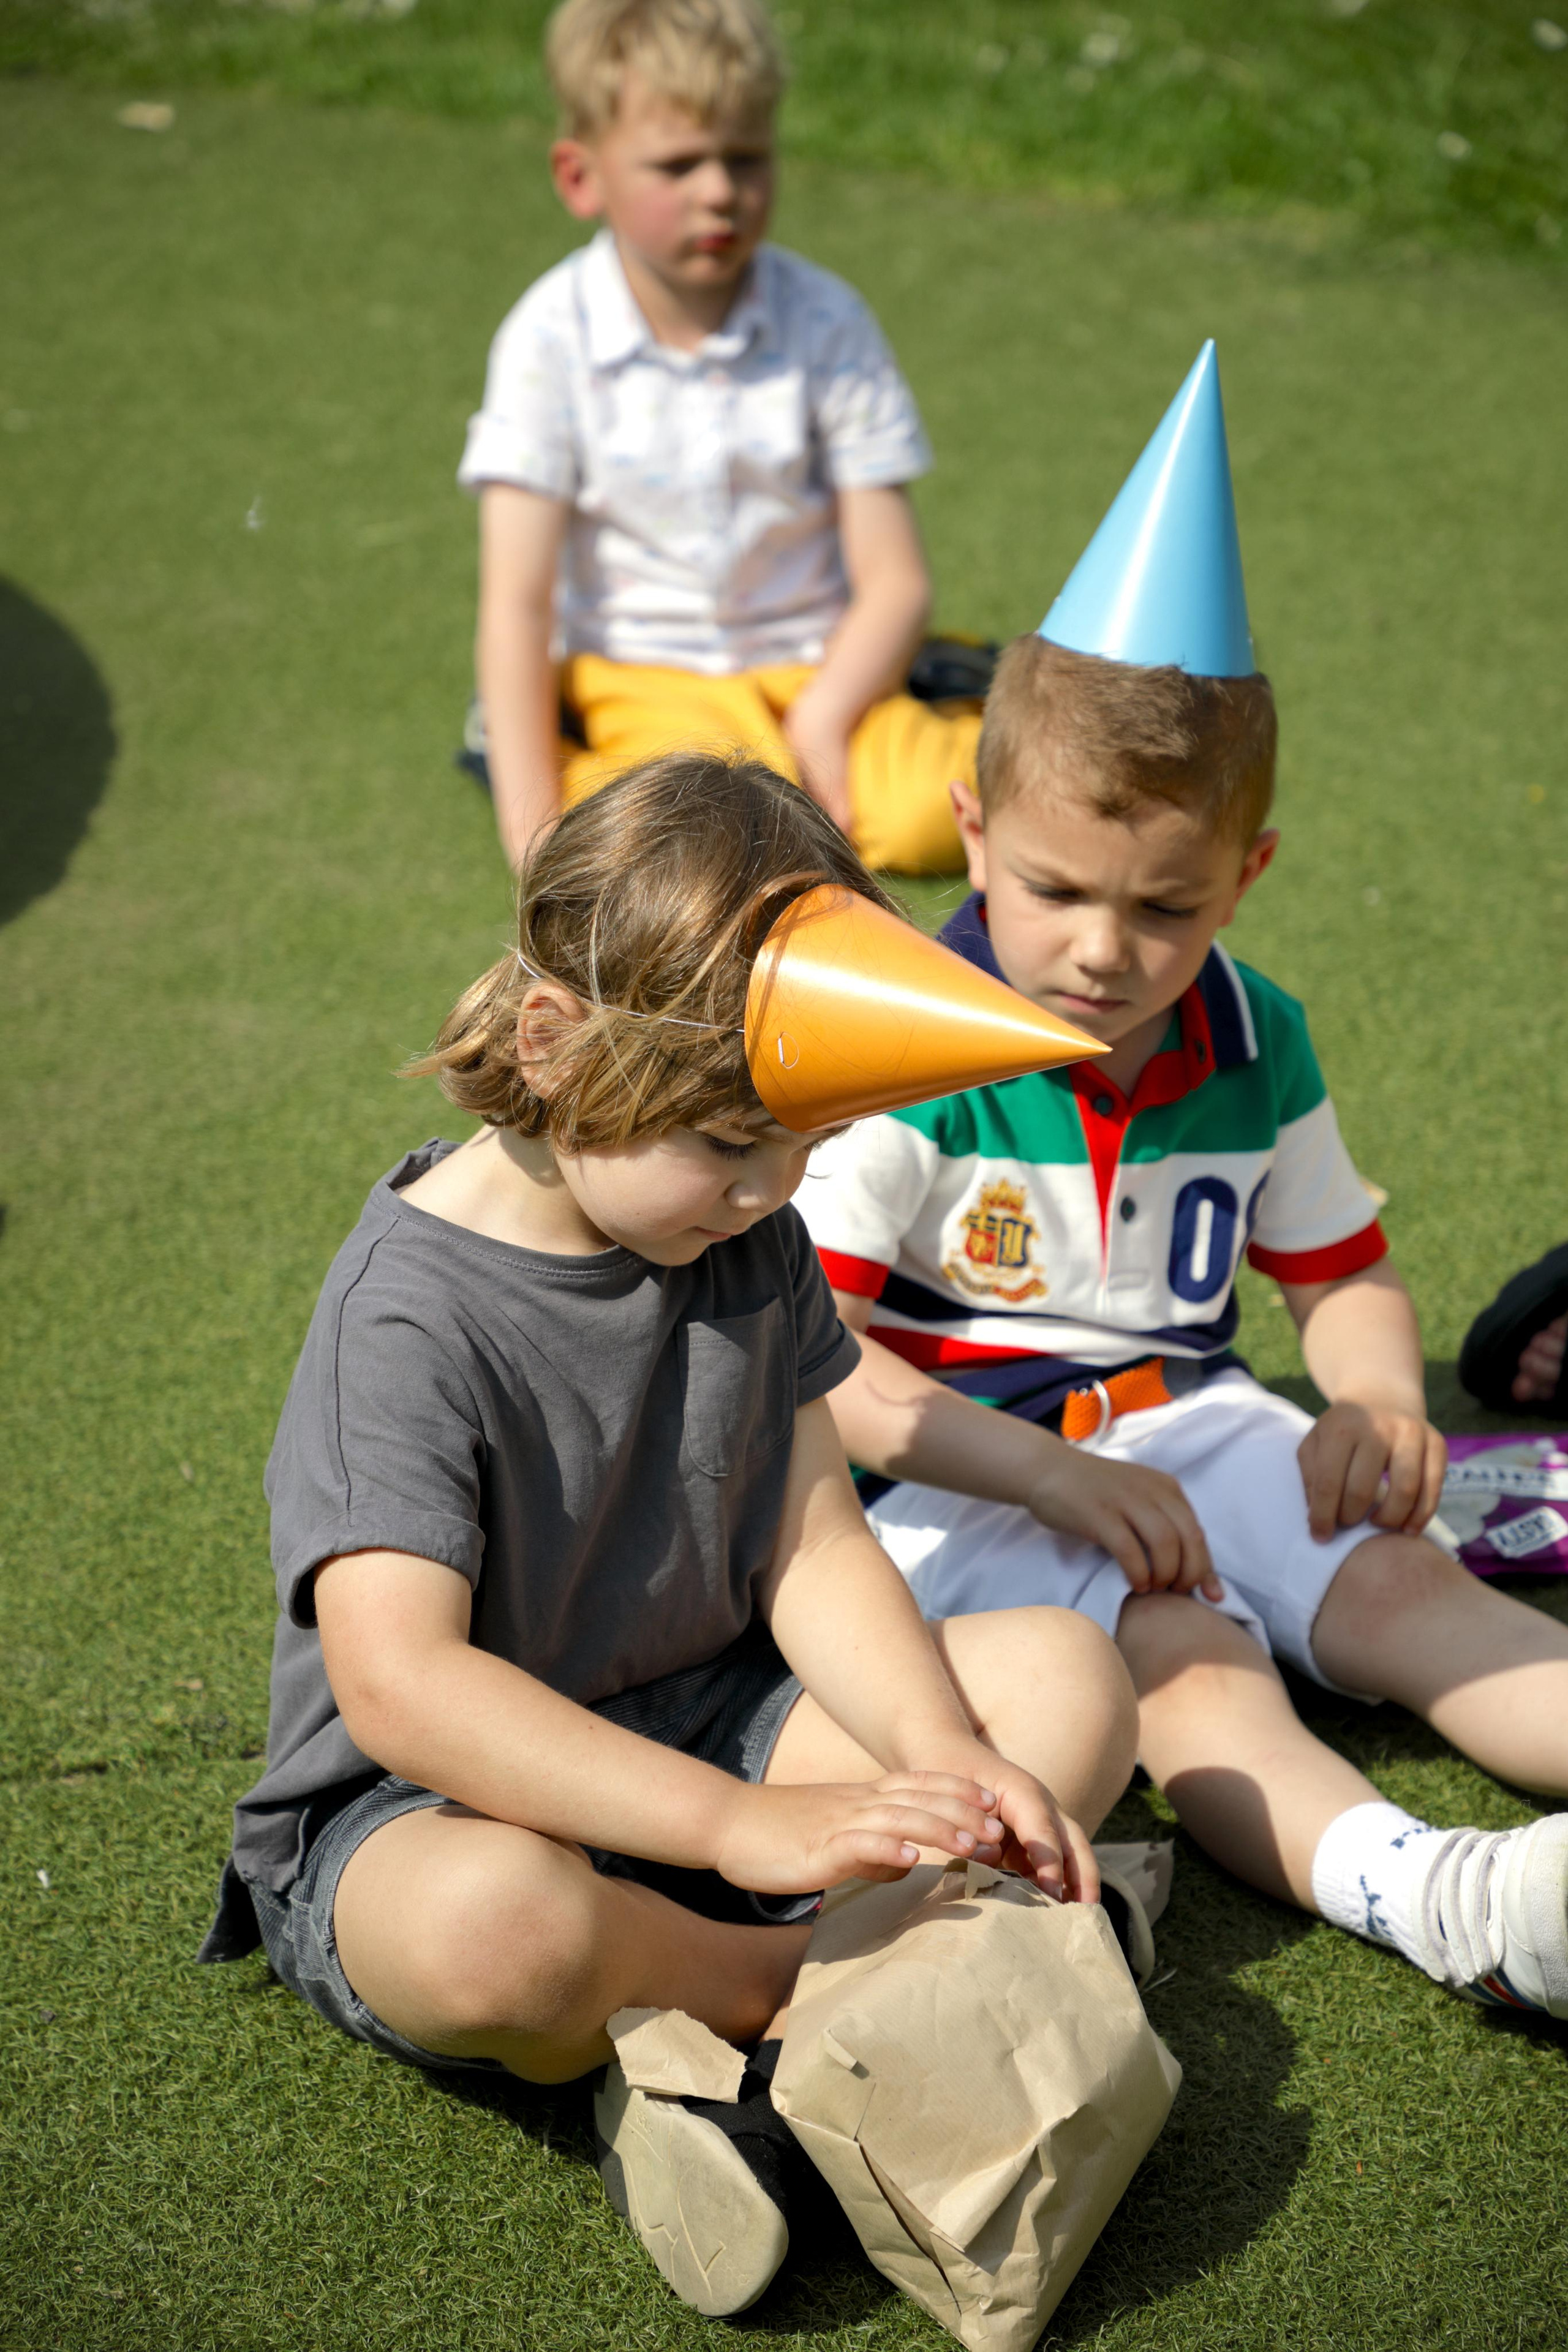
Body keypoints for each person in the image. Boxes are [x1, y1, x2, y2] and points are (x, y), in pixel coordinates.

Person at [197, 753, 1139, 2318]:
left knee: (1060, 1683)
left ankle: (710, 2069)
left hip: (712, 1709)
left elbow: (814, 1538)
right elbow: (401, 1690)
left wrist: (932, 1742)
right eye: (726, 1141)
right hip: (431, 1812)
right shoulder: (406, 1318)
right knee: (498, 1937)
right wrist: (732, 1834)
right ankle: (813, 2002)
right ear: (557, 1045)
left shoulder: (743, 1234)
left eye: (798, 1150)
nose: (769, 1189)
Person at [798, 347, 1568, 2020]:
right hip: (957, 1489)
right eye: (1057, 889)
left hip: (1194, 1423)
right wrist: (1049, 1479)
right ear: (970, 834)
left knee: (1403, 1582)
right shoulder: (903, 1053)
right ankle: (1440, 1900)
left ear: (1246, 877)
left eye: (1166, 907)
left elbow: (1339, 1268)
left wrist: (1368, 1393)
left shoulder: (1254, 1034)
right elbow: (824, 1373)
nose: (1102, 951)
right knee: (1194, 1668)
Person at [456, 0, 981, 876]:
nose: (719, 192)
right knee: (676, 862)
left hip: (821, 670)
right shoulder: (548, 339)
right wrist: (532, 833)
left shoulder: (827, 319)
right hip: (643, 680)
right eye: (677, 164)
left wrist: (824, 716)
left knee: (945, 816)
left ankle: (946, 699)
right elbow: (517, 603)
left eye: (746, 158)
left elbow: (896, 580)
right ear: (582, 176)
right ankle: (546, 751)